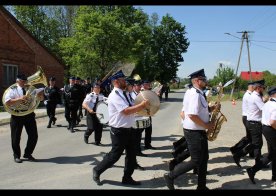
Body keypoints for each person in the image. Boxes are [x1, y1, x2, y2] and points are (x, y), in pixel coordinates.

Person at [92, 70, 149, 186]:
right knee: (114, 156)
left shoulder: (125, 94)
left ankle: (127, 177)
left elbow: (132, 107)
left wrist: (145, 107)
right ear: (116, 82)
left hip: (129, 129)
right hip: (118, 130)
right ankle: (97, 170)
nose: (125, 81)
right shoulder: (115, 95)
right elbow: (126, 111)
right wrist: (142, 105)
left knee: (131, 156)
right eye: (123, 80)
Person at [163, 69, 218, 190]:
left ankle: (201, 186)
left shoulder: (198, 92)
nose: (206, 81)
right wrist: (207, 125)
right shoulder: (194, 94)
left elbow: (199, 110)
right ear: (197, 81)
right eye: (204, 79)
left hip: (198, 130)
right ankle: (170, 176)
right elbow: (192, 115)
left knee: (204, 159)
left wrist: (211, 109)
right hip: (194, 132)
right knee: (196, 160)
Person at [4, 74, 44, 163]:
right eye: (23, 81)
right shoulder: (12, 90)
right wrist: (19, 99)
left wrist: (40, 95)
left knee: (34, 135)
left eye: (25, 81)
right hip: (17, 115)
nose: (25, 83)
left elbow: (40, 99)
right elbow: (7, 102)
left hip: (29, 114)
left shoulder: (31, 89)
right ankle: (16, 155)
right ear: (17, 81)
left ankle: (28, 154)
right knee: (16, 137)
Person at [232, 80, 266, 168]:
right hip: (254, 123)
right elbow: (263, 108)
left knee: (256, 143)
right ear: (258, 88)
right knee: (257, 144)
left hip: (253, 122)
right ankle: (257, 163)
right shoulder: (255, 97)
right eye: (263, 87)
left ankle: (239, 155)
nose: (264, 89)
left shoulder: (255, 95)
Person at [246, 86, 276, 184]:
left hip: (266, 129)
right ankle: (253, 170)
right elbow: (273, 122)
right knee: (272, 154)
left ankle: (272, 175)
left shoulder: (267, 103)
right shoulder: (274, 105)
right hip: (272, 129)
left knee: (272, 154)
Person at [230, 82, 254, 157]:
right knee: (251, 137)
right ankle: (236, 149)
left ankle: (236, 149)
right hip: (247, 118)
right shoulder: (249, 95)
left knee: (250, 137)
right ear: (251, 87)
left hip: (247, 117)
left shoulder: (249, 95)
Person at [141, 80, 156, 150]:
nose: (149, 85)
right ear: (144, 85)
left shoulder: (149, 91)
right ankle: (137, 146)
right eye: (148, 84)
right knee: (140, 130)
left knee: (149, 129)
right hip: (141, 114)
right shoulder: (141, 92)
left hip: (148, 112)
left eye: (149, 84)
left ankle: (147, 144)